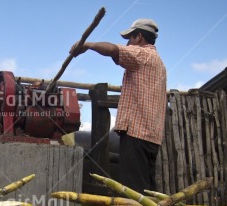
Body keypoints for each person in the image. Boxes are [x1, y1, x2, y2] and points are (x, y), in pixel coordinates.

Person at [70, 18, 167, 194]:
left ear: (139, 37)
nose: (127, 43)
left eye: (129, 38)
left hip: (137, 133)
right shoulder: (158, 62)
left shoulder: (142, 55)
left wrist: (87, 45)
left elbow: (114, 50)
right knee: (147, 190)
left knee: (133, 192)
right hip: (151, 136)